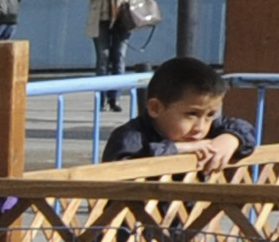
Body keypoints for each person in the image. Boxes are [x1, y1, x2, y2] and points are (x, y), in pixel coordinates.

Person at [102, 57, 257, 174]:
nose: (200, 127)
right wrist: (178, 148)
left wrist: (230, 139)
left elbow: (244, 128)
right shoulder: (130, 136)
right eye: (191, 114)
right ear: (155, 108)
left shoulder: (207, 134)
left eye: (210, 115)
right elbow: (124, 168)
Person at [84, 0, 144, 110]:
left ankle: (115, 98)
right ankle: (100, 99)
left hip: (122, 15)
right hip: (101, 16)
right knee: (103, 58)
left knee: (119, 56)